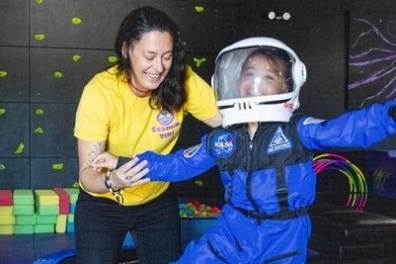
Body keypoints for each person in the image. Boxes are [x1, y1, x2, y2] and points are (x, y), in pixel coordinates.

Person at [92, 37, 396, 263]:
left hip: (284, 237)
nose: (255, 83)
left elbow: (348, 129)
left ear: (286, 84)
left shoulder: (297, 132)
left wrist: (389, 116)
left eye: (269, 76)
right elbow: (177, 165)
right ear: (233, 83)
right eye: (248, 74)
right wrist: (124, 162)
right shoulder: (224, 139)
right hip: (232, 232)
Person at [73, 6, 222, 264]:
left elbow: (229, 122)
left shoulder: (181, 78)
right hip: (103, 204)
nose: (159, 67)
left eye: (167, 56)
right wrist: (113, 181)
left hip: (156, 199)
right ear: (126, 49)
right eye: (150, 56)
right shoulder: (100, 91)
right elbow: (88, 177)